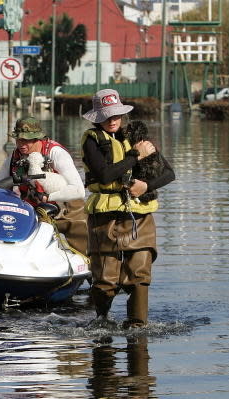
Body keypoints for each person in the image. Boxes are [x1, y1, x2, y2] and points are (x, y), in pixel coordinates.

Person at [81, 89, 174, 328]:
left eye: (117, 115)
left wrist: (146, 185)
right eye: (107, 116)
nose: (113, 120)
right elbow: (104, 175)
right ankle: (101, 320)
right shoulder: (92, 140)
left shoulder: (136, 137)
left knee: (139, 275)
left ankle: (137, 326)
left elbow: (169, 174)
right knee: (105, 280)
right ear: (96, 117)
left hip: (138, 214)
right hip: (105, 216)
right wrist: (135, 156)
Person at [0, 116, 87, 254]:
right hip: (35, 213)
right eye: (19, 139)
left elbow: (79, 191)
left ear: (38, 138)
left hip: (68, 212)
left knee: (82, 253)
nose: (22, 144)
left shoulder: (56, 153)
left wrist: (49, 197)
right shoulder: (14, 158)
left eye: (27, 140)